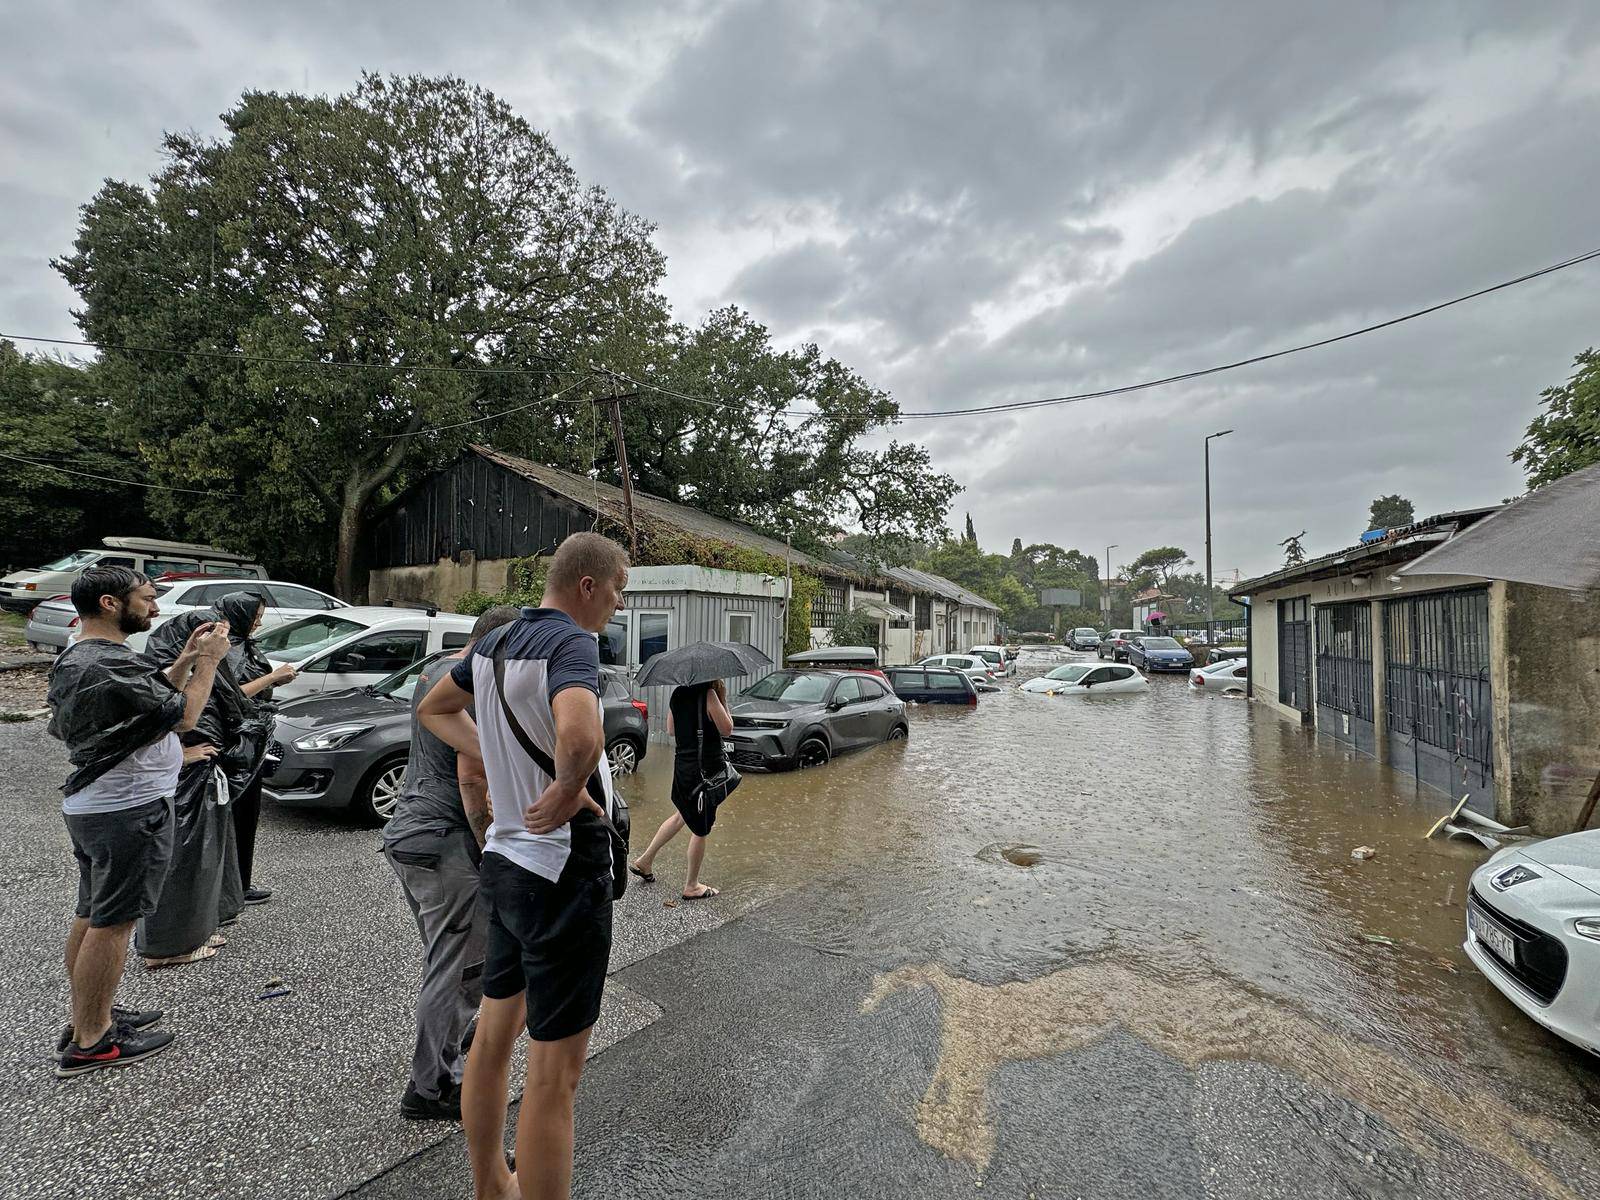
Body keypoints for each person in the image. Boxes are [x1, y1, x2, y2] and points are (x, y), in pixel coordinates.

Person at [419, 532, 628, 1200]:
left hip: (505, 861)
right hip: (562, 870)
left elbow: (433, 710)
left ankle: (491, 1186)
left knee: (492, 1041)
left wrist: (502, 759)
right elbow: (580, 733)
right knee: (553, 1075)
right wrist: (567, 789)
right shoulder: (572, 642)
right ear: (588, 586)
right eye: (618, 589)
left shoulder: (494, 641)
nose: (618, 605)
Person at [47, 565, 232, 1077]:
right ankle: (92, 1041)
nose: (154, 609)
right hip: (126, 809)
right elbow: (184, 717)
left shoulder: (86, 653)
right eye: (146, 599)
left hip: (100, 804)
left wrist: (187, 658)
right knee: (113, 923)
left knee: (93, 913)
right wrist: (210, 664)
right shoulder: (104, 662)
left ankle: (92, 1015)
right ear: (111, 603)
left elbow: (152, 699)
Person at [383, 603, 519, 1122]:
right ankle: (432, 1085)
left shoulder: (437, 670)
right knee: (460, 968)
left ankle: (443, 1062)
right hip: (445, 840)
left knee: (447, 960)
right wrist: (491, 851)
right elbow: (472, 774)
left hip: (411, 833)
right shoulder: (474, 685)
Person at [137, 592, 273, 967]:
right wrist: (184, 754)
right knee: (184, 859)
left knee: (204, 856)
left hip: (201, 771)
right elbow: (179, 720)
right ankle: (168, 945)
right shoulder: (167, 679)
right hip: (186, 778)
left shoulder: (184, 671)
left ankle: (192, 930)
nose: (223, 642)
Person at [215, 591, 299, 906]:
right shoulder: (228, 649)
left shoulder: (242, 646)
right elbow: (231, 695)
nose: (260, 622)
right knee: (234, 816)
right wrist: (273, 678)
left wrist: (273, 682)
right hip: (234, 746)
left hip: (250, 744)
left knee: (246, 816)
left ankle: (240, 883)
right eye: (256, 616)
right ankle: (228, 888)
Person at [629, 678, 735, 899]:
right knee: (701, 827)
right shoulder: (709, 695)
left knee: (682, 815)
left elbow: (670, 730)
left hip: (682, 767)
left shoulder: (678, 693)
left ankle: (645, 861)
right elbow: (727, 729)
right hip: (705, 771)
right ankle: (692, 886)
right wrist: (722, 699)